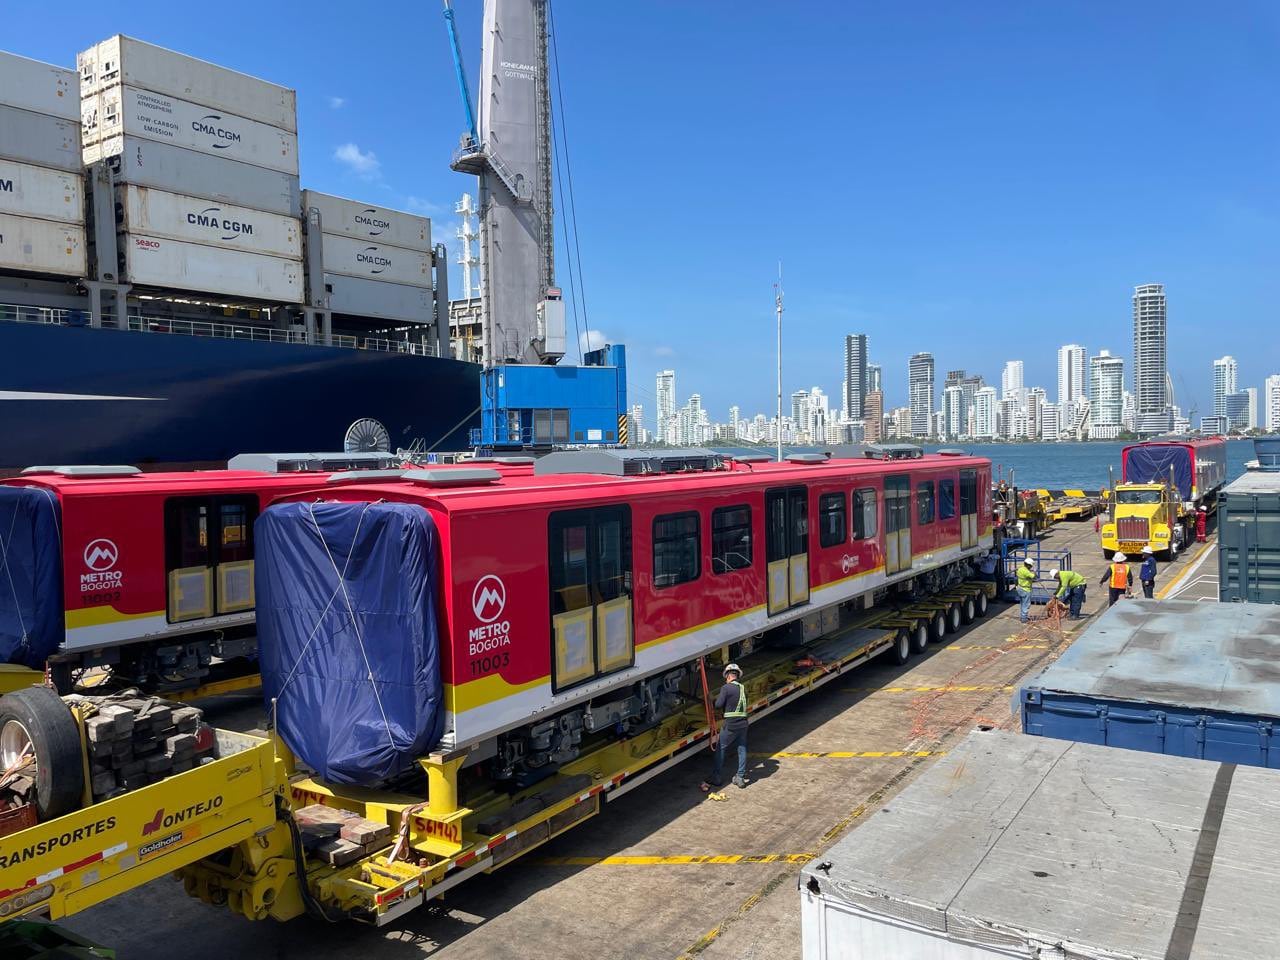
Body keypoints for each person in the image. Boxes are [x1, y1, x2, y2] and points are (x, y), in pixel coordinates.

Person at [702, 663, 749, 791]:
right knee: (742, 748)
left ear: (728, 676)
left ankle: (716, 777)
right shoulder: (743, 688)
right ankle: (740, 777)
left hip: (731, 725)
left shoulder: (726, 688)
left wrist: (711, 699)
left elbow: (718, 704)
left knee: (720, 749)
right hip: (743, 723)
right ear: (737, 675)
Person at [1016, 557, 1036, 623]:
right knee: (1026, 604)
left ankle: (1022, 616)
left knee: (1022, 603)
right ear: (1028, 565)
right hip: (1026, 589)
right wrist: (1034, 572)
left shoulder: (1020, 569)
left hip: (1020, 588)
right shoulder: (1026, 572)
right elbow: (1034, 577)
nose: (1031, 567)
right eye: (1031, 566)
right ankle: (1024, 619)